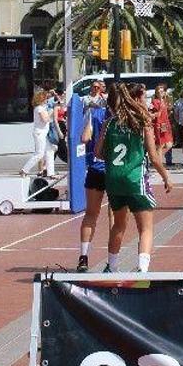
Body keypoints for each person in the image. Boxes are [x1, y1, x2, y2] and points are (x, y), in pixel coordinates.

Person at [96, 83, 172, 272]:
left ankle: (111, 267)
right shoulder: (142, 122)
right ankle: (143, 269)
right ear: (135, 99)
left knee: (119, 225)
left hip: (113, 180)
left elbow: (98, 152)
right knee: (145, 228)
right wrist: (166, 177)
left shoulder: (109, 123)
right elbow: (154, 158)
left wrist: (114, 159)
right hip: (134, 178)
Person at [76, 91, 110, 272]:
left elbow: (84, 138)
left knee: (91, 214)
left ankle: (83, 257)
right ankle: (113, 261)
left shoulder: (93, 114)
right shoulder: (121, 118)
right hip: (115, 171)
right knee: (116, 217)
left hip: (96, 169)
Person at [21, 90, 61, 177]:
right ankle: (24, 170)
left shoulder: (43, 107)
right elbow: (45, 119)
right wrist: (51, 111)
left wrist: (56, 98)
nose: (47, 99)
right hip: (39, 133)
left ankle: (51, 173)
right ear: (41, 99)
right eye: (46, 98)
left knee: (50, 151)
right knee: (39, 153)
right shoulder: (39, 108)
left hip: (44, 133)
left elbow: (57, 102)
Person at [150, 84, 174, 166]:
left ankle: (156, 158)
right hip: (159, 124)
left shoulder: (165, 101)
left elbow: (168, 111)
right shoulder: (155, 101)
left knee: (169, 144)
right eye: (159, 91)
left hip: (165, 124)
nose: (161, 93)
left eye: (162, 91)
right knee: (160, 144)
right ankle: (159, 163)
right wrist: (158, 112)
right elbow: (151, 113)